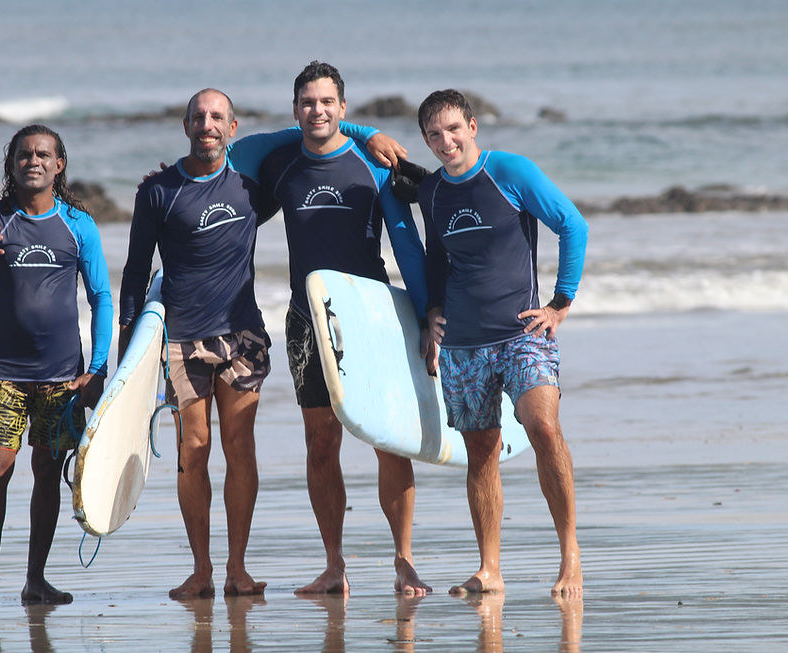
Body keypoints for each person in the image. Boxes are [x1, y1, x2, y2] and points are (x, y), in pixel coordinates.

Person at [119, 88, 397, 599]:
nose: (208, 124)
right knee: (194, 450)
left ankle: (237, 570)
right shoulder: (158, 191)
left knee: (240, 447)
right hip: (182, 340)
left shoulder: (252, 184)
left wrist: (365, 133)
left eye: (217, 117)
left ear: (233, 127)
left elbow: (310, 132)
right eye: (198, 117)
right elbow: (136, 275)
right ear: (185, 126)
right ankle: (201, 570)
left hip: (243, 335)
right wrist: (125, 363)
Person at [259, 61, 432, 596]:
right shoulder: (281, 168)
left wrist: (428, 319)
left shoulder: (373, 166)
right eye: (308, 102)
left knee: (389, 440)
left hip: (370, 318)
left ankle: (403, 561)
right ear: (296, 110)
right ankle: (335, 565)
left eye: (327, 102)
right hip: (306, 320)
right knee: (319, 442)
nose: (317, 110)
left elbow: (407, 246)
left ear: (343, 108)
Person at [415, 89, 588, 597]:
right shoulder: (431, 193)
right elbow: (435, 258)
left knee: (543, 428)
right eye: (433, 134)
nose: (445, 141)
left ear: (472, 126)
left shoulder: (510, 171)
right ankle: (490, 568)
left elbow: (572, 225)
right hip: (464, 344)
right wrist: (431, 314)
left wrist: (561, 302)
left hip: (523, 334)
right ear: (426, 140)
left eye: (452, 129)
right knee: (481, 453)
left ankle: (570, 555)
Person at [0, 124, 113, 607]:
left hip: (62, 377)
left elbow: (101, 297)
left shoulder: (78, 224)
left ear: (59, 165)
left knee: (46, 470)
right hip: (4, 371)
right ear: (11, 164)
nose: (33, 161)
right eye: (24, 154)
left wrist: (98, 368)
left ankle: (35, 579)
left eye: (43, 154)